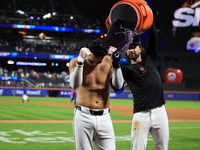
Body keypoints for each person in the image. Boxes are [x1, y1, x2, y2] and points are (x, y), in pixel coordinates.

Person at [119, 23, 169, 150]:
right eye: (129, 48)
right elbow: (111, 63)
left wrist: (149, 19)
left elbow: (154, 36)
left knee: (162, 147)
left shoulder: (150, 58)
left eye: (134, 46)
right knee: (138, 148)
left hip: (160, 112)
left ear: (140, 49)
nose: (131, 49)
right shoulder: (125, 68)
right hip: (141, 115)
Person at [69, 39, 124, 150]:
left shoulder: (109, 61)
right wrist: (80, 62)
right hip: (83, 115)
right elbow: (75, 85)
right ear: (89, 52)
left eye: (98, 62)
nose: (94, 64)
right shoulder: (76, 61)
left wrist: (117, 64)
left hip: (105, 117)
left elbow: (118, 86)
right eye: (92, 61)